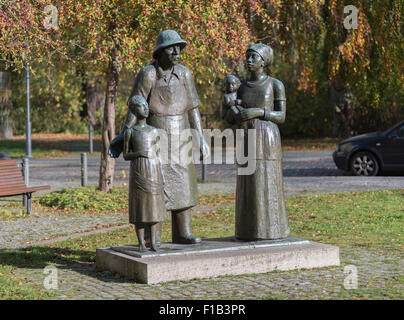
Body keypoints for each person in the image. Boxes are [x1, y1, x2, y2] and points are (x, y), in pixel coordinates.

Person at [109, 30, 210, 244]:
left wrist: (200, 137)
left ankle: (183, 231)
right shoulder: (148, 74)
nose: (176, 51)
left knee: (183, 182)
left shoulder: (185, 74)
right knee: (155, 184)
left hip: (181, 132)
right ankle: (152, 236)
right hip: (156, 133)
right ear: (159, 51)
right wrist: (124, 133)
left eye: (178, 47)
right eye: (170, 47)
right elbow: (135, 105)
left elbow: (193, 108)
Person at [223, 43, 290, 240]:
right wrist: (233, 112)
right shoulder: (240, 86)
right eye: (247, 56)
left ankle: (274, 230)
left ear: (264, 61)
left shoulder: (275, 84)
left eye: (253, 57)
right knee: (248, 182)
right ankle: (248, 230)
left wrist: (260, 112)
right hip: (246, 136)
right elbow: (227, 115)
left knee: (268, 180)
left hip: (267, 136)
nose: (249, 60)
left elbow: (282, 116)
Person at [123, 96, 166, 252]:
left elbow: (159, 154)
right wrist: (139, 153)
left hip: (154, 169)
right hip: (139, 169)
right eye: (142, 106)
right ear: (135, 110)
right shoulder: (130, 131)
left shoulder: (153, 130)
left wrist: (161, 175)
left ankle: (154, 242)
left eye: (146, 106)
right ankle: (141, 243)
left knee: (154, 206)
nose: (146, 109)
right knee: (140, 207)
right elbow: (126, 154)